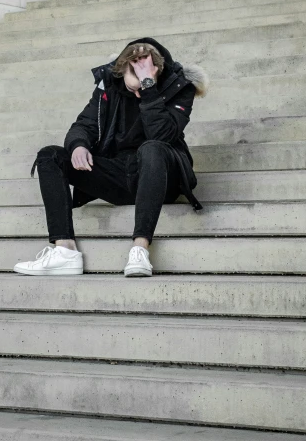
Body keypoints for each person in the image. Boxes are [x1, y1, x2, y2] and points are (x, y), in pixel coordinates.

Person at [13, 37, 208, 278]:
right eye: (132, 86)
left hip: (161, 175)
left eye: (145, 83)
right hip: (118, 173)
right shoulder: (109, 86)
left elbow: (163, 135)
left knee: (152, 148)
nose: (138, 92)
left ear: (156, 73)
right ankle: (64, 251)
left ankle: (140, 249)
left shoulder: (179, 87)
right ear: (121, 70)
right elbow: (83, 124)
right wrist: (78, 146)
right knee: (50, 155)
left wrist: (149, 88)